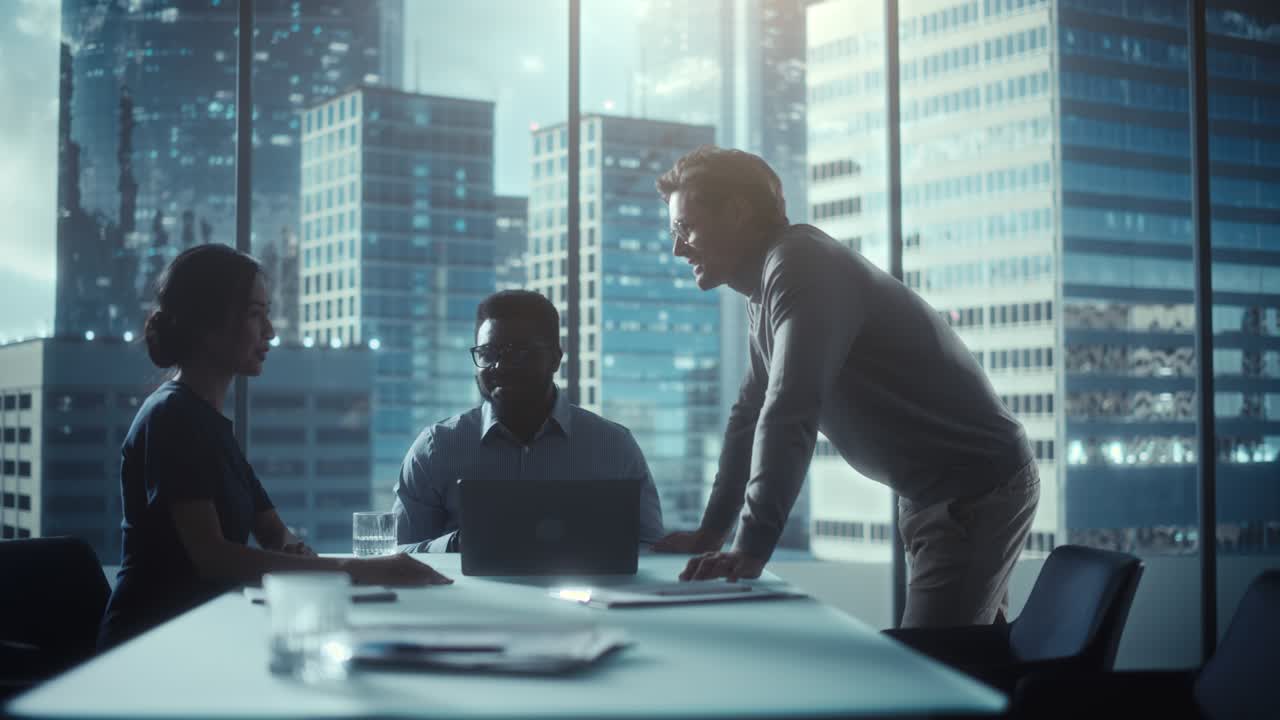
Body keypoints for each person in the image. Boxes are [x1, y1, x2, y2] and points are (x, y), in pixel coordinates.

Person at [651, 146, 1038, 628]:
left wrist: (749, 549)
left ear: (736, 212)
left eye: (685, 228)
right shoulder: (767, 289)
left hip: (973, 489)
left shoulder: (801, 266)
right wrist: (712, 532)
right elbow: (747, 419)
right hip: (934, 492)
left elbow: (789, 410)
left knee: (930, 669)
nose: (677, 248)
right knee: (973, 655)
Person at [99, 244, 451, 650]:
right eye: (254, 313)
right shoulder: (171, 416)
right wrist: (362, 570)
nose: (269, 330)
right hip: (150, 643)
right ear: (206, 323)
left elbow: (274, 532)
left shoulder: (210, 425)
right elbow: (213, 557)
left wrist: (295, 552)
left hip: (199, 634)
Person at [392, 290, 664, 552]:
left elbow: (650, 547)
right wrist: (455, 545)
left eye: (519, 353)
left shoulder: (613, 446)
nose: (501, 366)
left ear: (555, 359)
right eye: (488, 353)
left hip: (584, 598)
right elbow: (398, 555)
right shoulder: (436, 448)